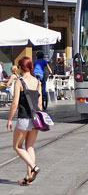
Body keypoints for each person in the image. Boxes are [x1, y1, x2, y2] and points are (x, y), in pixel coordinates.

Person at [6, 57, 41, 186]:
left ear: (20, 67)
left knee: (17, 146)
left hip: (24, 118)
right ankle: (28, 177)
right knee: (29, 147)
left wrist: (9, 119)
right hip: (35, 119)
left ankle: (34, 167)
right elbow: (39, 104)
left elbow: (15, 103)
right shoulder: (38, 82)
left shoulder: (19, 81)